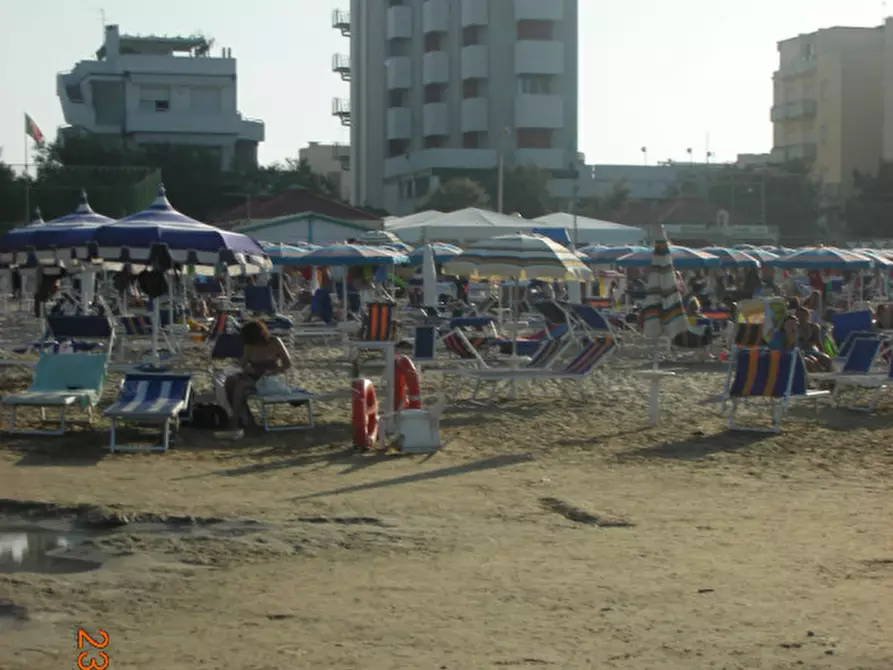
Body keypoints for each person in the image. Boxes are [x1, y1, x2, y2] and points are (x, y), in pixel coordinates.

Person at [216, 320, 293, 439]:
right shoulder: (250, 346)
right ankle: (244, 416)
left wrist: (270, 372)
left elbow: (287, 364)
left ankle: (234, 423)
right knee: (230, 381)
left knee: (240, 386)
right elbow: (242, 364)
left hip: (269, 378)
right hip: (254, 376)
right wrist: (244, 369)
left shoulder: (275, 342)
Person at [795, 306, 833, 372]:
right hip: (799, 350)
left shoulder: (814, 327)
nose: (801, 318)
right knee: (813, 361)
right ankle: (818, 378)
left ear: (807, 316)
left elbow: (818, 342)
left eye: (803, 315)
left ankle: (830, 377)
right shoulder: (794, 327)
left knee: (827, 359)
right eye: (799, 316)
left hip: (811, 349)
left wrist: (823, 352)